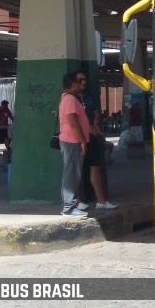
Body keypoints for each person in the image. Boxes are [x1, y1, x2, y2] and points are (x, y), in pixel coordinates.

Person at [75, 70, 117, 211]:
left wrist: (95, 122)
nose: (83, 82)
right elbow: (73, 121)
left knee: (95, 168)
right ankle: (77, 201)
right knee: (76, 170)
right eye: (80, 80)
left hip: (92, 137)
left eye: (85, 79)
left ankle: (101, 201)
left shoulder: (88, 98)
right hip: (77, 138)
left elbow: (95, 113)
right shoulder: (71, 99)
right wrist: (88, 128)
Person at [58, 72, 89, 218]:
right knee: (71, 173)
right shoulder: (70, 99)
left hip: (70, 140)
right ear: (73, 84)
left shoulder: (68, 99)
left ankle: (70, 204)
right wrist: (82, 141)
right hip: (72, 140)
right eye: (78, 82)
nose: (80, 85)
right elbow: (73, 123)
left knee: (72, 173)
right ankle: (68, 208)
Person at [0, 100, 14, 169]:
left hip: (4, 127)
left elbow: (11, 116)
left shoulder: (7, 110)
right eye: (6, 105)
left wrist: (15, 121)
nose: (7, 106)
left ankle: (8, 149)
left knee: (6, 138)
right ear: (3, 105)